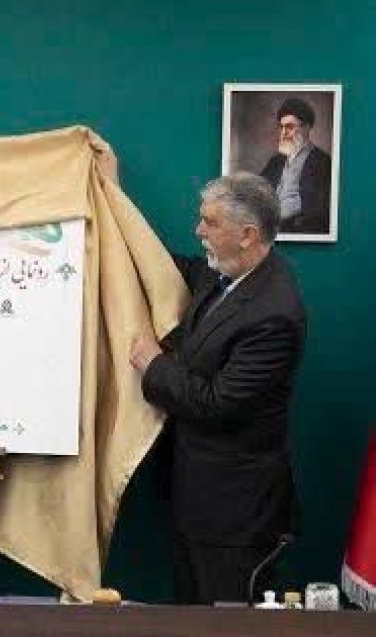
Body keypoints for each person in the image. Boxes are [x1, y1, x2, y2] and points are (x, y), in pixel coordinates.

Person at [126, 172, 305, 605]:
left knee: (225, 622)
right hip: (195, 503)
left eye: (210, 222)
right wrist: (111, 200)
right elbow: (161, 263)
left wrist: (153, 364)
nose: (198, 231)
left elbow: (216, 404)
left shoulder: (275, 313)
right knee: (192, 618)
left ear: (247, 235)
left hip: (236, 519)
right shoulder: (219, 273)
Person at [259, 97, 332, 234]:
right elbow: (257, 190)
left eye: (290, 127)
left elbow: (316, 209)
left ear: (306, 128)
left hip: (298, 230)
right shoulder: (276, 161)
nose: (284, 133)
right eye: (281, 127)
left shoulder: (321, 161)